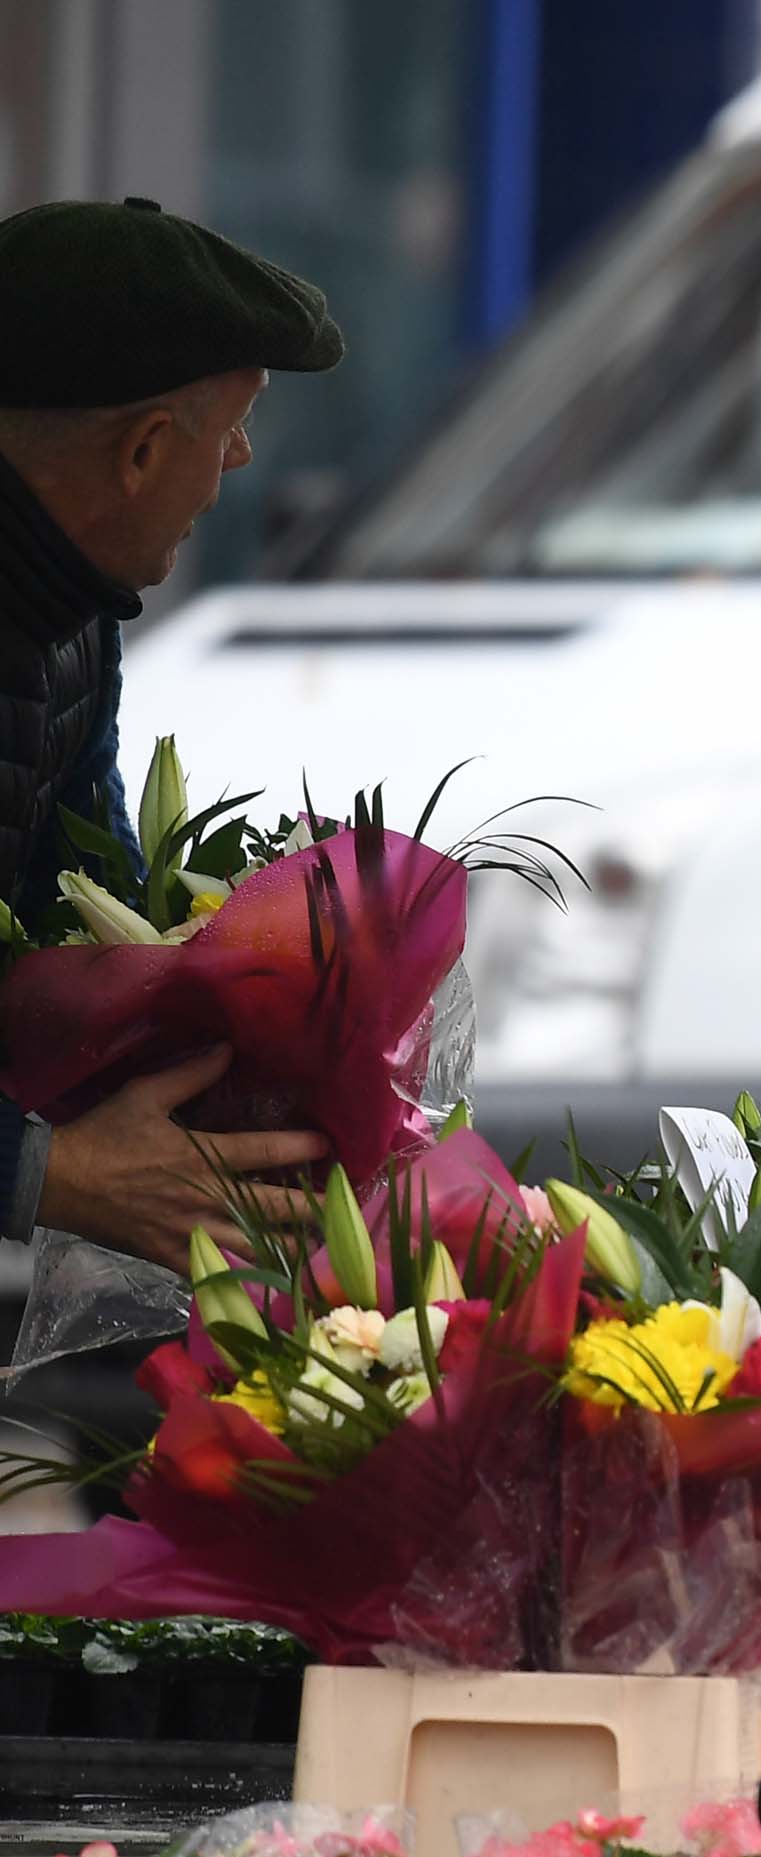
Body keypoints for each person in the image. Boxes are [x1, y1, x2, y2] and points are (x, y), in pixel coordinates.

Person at [0, 196, 345, 1269]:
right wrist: (56, 1172)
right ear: (145, 451)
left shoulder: (70, 609)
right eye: (232, 426)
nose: (241, 460)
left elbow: (84, 900)